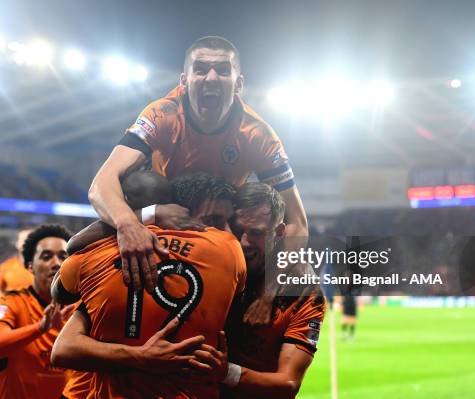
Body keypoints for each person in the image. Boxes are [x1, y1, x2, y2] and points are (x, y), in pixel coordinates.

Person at [88, 36, 308, 307]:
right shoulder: (162, 115)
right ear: (184, 81)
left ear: (239, 84)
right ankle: (84, 270)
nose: (211, 78)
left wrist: (269, 290)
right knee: (144, 184)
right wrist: (128, 226)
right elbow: (101, 183)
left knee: (300, 269)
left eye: (223, 70)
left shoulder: (258, 134)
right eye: (201, 69)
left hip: (221, 224)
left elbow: (298, 222)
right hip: (168, 214)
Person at [51, 172, 246, 399]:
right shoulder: (229, 249)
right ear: (180, 210)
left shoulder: (94, 255)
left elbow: (61, 291)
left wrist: (139, 217)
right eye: (214, 221)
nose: (225, 231)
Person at [200, 182, 326, 399]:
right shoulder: (208, 264)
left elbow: (288, 384)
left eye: (256, 233)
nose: (243, 242)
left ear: (278, 233)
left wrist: (226, 372)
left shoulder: (303, 292)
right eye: (237, 230)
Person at [0, 224, 76, 399]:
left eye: (63, 256)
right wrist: (39, 328)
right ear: (30, 266)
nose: (56, 263)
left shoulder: (79, 309)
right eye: (46, 257)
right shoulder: (12, 302)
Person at [0, 229, 33, 298]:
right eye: (23, 240)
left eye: (29, 240)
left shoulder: (44, 267)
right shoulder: (6, 266)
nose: (26, 243)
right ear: (17, 243)